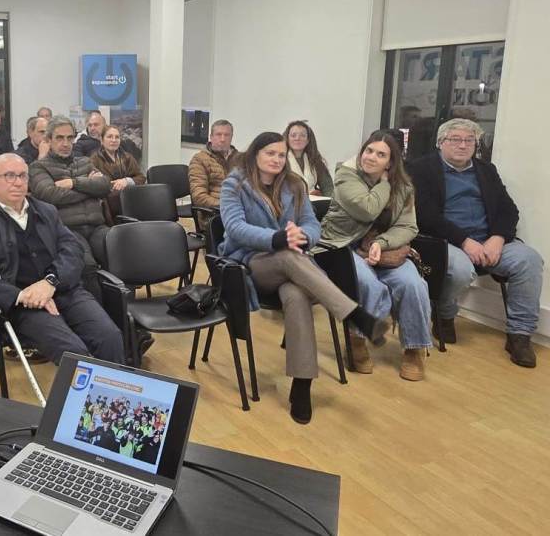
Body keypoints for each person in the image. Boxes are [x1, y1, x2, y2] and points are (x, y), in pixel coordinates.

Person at [219, 131, 387, 424]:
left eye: (281, 155)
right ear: (255, 154)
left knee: (295, 295)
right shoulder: (235, 184)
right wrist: (278, 238)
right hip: (251, 264)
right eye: (270, 153)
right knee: (287, 255)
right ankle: (354, 314)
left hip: (294, 265)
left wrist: (303, 236)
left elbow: (312, 223)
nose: (276, 159)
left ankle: (302, 384)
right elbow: (235, 228)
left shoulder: (295, 185)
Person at [0, 153, 125, 365]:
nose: (17, 182)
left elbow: (72, 248)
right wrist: (21, 296)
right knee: (74, 353)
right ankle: (87, 398)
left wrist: (51, 282)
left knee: (110, 337)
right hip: (23, 304)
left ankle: (113, 397)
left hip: (63, 290)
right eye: (9, 176)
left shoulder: (46, 210)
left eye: (23, 176)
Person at [408, 118, 543, 367]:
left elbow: (508, 210)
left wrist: (498, 239)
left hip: (489, 242)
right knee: (459, 269)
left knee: (529, 260)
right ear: (440, 143)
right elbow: (425, 215)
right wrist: (465, 241)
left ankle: (519, 335)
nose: (463, 145)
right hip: (445, 240)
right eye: (455, 139)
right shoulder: (421, 169)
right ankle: (445, 316)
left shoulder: (486, 170)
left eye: (469, 140)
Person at [317, 131, 432, 380]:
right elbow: (368, 209)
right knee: (368, 283)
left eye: (381, 154)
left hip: (385, 248)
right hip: (343, 245)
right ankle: (357, 339)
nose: (371, 157)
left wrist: (382, 242)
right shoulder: (346, 176)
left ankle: (414, 348)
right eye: (369, 150)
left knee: (413, 284)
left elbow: (408, 227)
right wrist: (385, 183)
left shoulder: (405, 187)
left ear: (390, 162)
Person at [30, 116, 112, 291]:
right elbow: (50, 195)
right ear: (49, 140)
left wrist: (73, 183)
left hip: (98, 226)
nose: (65, 143)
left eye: (69, 138)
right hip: (68, 229)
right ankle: (97, 314)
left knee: (119, 254)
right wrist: (89, 188)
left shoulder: (84, 161)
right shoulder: (38, 167)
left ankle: (123, 314)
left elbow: (105, 185)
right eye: (59, 138)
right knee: (87, 265)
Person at [189, 119, 243, 222]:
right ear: (211, 137)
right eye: (218, 135)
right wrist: (228, 205)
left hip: (240, 213)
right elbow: (199, 197)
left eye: (227, 135)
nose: (222, 139)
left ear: (231, 137)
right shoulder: (199, 160)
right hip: (214, 216)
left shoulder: (240, 159)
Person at [90, 125, 146, 217]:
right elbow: (95, 183)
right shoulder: (94, 159)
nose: (114, 140)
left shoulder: (127, 157)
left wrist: (126, 181)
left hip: (130, 199)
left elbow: (141, 178)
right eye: (109, 137)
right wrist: (113, 185)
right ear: (102, 140)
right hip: (106, 204)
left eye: (117, 137)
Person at [284, 120, 333, 197]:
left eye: (302, 135)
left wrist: (327, 202)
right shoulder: (280, 160)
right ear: (287, 139)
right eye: (293, 135)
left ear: (308, 140)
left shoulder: (315, 160)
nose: (297, 138)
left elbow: (328, 187)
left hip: (314, 204)